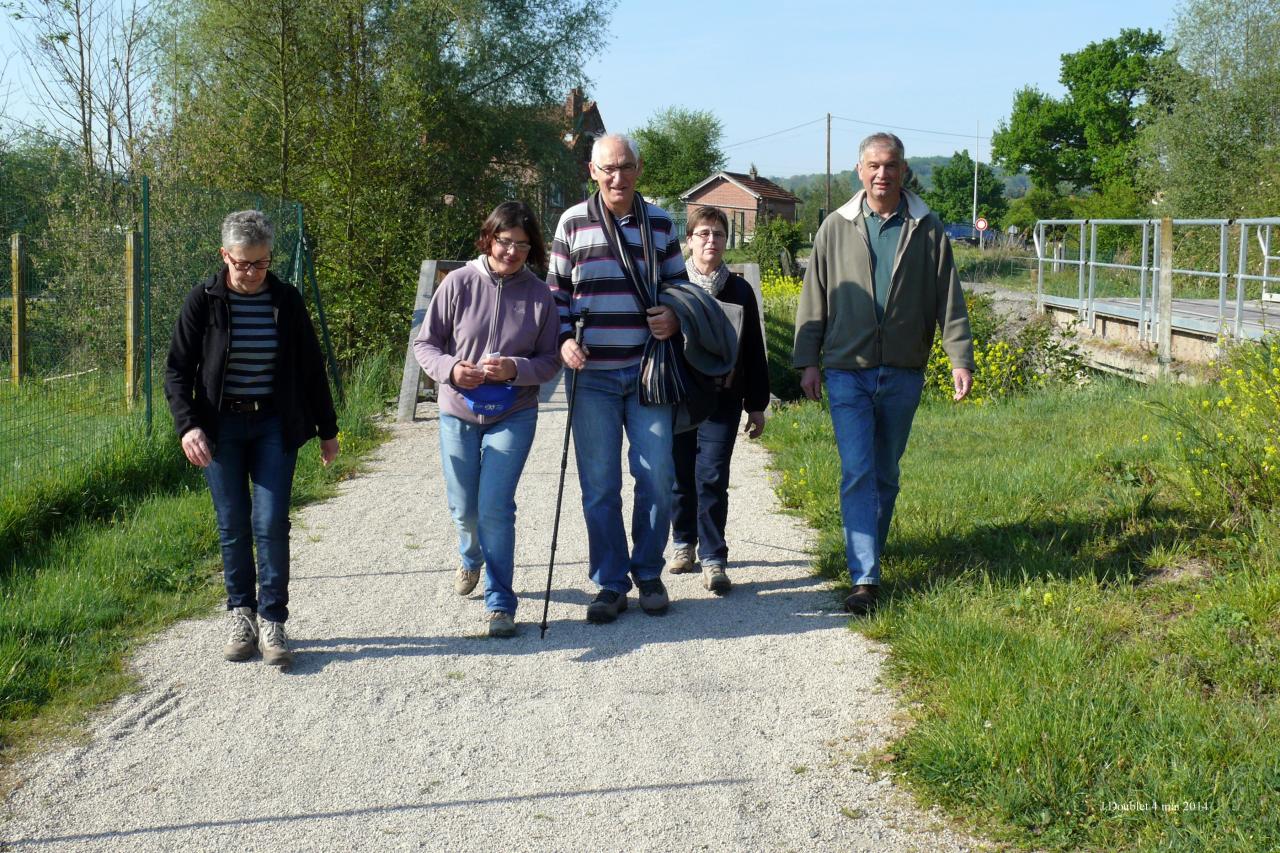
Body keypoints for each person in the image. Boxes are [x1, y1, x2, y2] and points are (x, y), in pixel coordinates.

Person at [792, 132, 975, 616]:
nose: (882, 174)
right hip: (846, 370)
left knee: (885, 474)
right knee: (858, 471)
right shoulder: (836, 226)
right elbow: (815, 296)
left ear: (903, 169)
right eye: (873, 165)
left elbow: (948, 298)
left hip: (902, 370)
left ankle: (869, 555)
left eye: (890, 165)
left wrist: (960, 357)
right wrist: (806, 360)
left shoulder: (928, 227)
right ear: (860, 170)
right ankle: (865, 577)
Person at [165, 210, 339, 668]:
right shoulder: (202, 301)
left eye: (260, 263)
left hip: (273, 428)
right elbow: (177, 372)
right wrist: (189, 426)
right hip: (219, 430)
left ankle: (274, 620)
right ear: (225, 256)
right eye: (242, 264)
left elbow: (311, 367)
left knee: (270, 522)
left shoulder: (286, 300)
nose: (251, 273)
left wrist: (327, 430)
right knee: (233, 524)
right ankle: (241, 616)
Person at [547, 133, 686, 624]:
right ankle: (610, 582)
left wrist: (672, 317)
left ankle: (648, 573)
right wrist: (564, 340)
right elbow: (556, 295)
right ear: (592, 171)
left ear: (638, 168)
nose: (617, 177)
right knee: (600, 484)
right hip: (593, 379)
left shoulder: (663, 222)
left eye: (625, 167)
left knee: (656, 476)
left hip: (649, 369)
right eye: (608, 168)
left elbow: (679, 290)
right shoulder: (571, 222)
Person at [413, 201, 560, 637]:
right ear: (488, 238)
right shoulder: (457, 283)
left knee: (495, 507)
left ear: (531, 249)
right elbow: (426, 345)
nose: (511, 251)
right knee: (464, 507)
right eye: (504, 241)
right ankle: (470, 556)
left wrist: (516, 368)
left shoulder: (539, 296)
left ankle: (500, 602)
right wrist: (452, 370)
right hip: (458, 410)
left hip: (514, 412)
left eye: (521, 244)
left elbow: (550, 360)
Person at [666, 206, 770, 593]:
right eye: (704, 233)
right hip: (679, 397)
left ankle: (713, 557)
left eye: (719, 234)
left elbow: (753, 349)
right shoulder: (673, 288)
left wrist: (756, 404)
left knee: (711, 476)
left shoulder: (739, 290)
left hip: (723, 399)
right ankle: (682, 543)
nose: (711, 241)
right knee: (679, 475)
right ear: (688, 239)